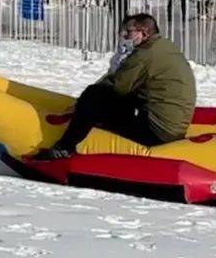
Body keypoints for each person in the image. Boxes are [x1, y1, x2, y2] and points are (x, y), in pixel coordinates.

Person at [34, 13, 196, 159]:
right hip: (172, 127)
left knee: (93, 95)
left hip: (157, 133)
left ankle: (64, 147)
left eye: (129, 32)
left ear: (144, 33)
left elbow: (117, 86)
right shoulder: (165, 46)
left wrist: (82, 104)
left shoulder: (143, 56)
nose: (124, 35)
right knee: (114, 98)